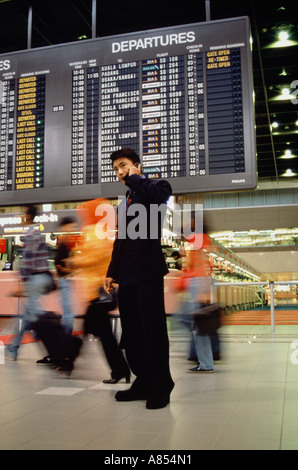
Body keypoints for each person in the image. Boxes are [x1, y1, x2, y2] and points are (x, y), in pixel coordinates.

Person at [104, 148, 174, 409]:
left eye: (123, 166)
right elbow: (120, 239)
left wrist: (134, 178)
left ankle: (161, 386)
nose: (120, 172)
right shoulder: (127, 199)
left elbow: (159, 196)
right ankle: (143, 381)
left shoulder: (155, 187)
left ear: (136, 164)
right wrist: (112, 271)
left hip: (148, 273)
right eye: (116, 169)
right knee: (132, 334)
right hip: (128, 277)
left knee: (152, 332)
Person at [70, 198, 130, 384]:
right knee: (95, 331)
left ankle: (67, 360)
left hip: (98, 294)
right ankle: (68, 360)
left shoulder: (94, 232)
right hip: (98, 293)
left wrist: (74, 261)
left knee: (100, 334)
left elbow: (94, 256)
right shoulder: (103, 231)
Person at [6, 205, 54, 360]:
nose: (20, 217)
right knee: (29, 317)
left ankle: (53, 351)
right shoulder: (38, 232)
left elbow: (28, 260)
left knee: (34, 318)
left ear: (27, 216)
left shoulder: (31, 233)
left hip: (35, 279)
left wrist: (24, 284)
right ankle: (13, 347)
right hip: (42, 278)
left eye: (22, 214)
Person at [36, 216, 76, 365]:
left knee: (67, 314)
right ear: (64, 227)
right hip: (65, 281)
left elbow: (59, 264)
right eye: (71, 226)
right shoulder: (63, 243)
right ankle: (64, 344)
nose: (72, 229)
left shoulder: (65, 243)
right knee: (68, 315)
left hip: (65, 281)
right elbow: (59, 264)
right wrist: (69, 270)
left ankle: (64, 345)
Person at [181, 223, 215, 373]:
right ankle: (205, 362)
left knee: (195, 325)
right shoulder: (203, 240)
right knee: (198, 326)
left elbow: (190, 264)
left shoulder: (196, 240)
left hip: (198, 283)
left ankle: (206, 363)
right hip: (201, 282)